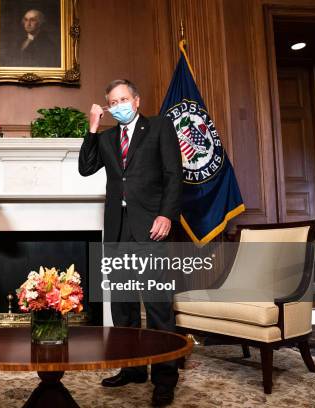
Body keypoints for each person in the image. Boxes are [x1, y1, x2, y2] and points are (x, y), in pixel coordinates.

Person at [78, 79, 182, 407]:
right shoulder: (107, 137)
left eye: (124, 98)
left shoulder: (160, 127)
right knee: (122, 306)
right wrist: (92, 128)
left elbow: (173, 175)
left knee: (157, 306)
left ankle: (165, 378)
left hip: (151, 226)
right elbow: (84, 168)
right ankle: (133, 368)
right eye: (113, 101)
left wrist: (166, 215)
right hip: (118, 230)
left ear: (136, 100)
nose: (119, 104)